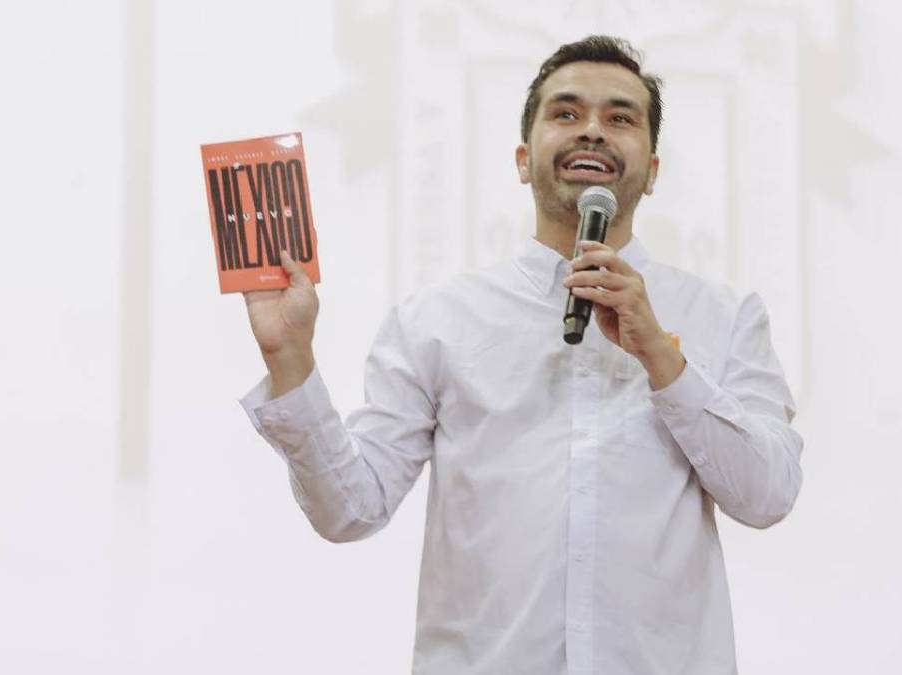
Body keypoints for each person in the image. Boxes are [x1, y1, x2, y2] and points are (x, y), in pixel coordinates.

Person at [240, 35, 804, 675]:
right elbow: (350, 510)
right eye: (565, 113)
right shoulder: (437, 321)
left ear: (651, 168)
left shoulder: (725, 317)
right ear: (522, 158)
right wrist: (291, 359)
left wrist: (662, 359)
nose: (592, 131)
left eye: (620, 118)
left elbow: (769, 495)